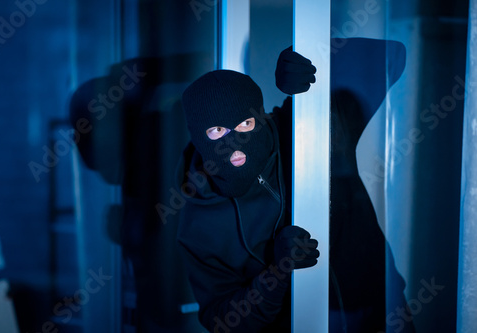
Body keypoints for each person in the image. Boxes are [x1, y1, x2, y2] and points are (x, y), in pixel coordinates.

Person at [177, 38, 414, 333]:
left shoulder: (303, 125)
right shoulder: (199, 223)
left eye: (245, 125)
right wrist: (276, 276)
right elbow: (221, 320)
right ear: (199, 138)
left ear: (258, 116)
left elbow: (390, 57)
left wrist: (314, 55)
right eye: (217, 130)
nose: (235, 142)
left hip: (381, 309)